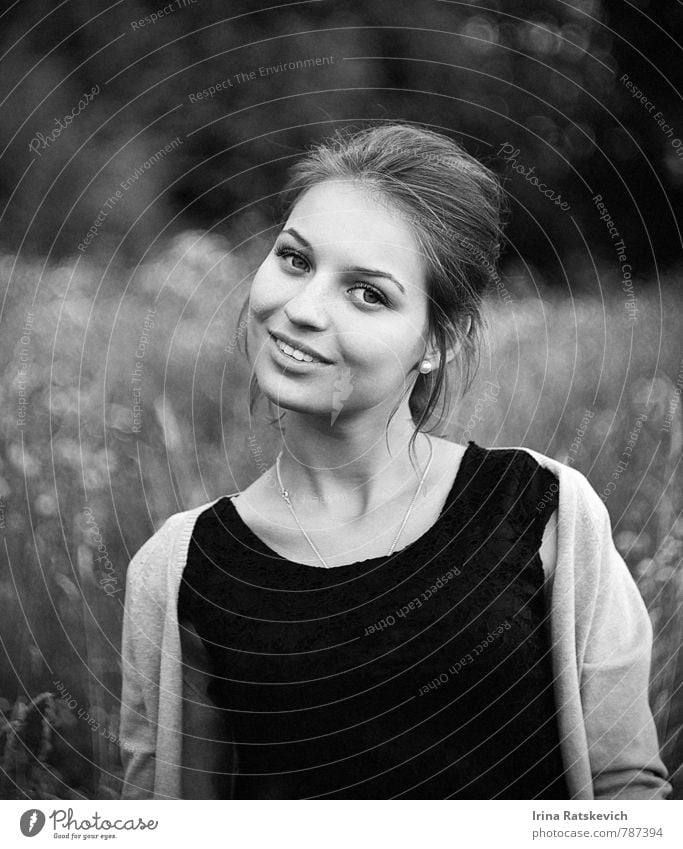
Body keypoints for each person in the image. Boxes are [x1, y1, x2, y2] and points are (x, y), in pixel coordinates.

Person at [119, 123, 670, 800]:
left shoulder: (546, 512)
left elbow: (627, 791)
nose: (300, 309)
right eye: (294, 259)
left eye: (368, 293)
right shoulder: (178, 569)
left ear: (435, 341)